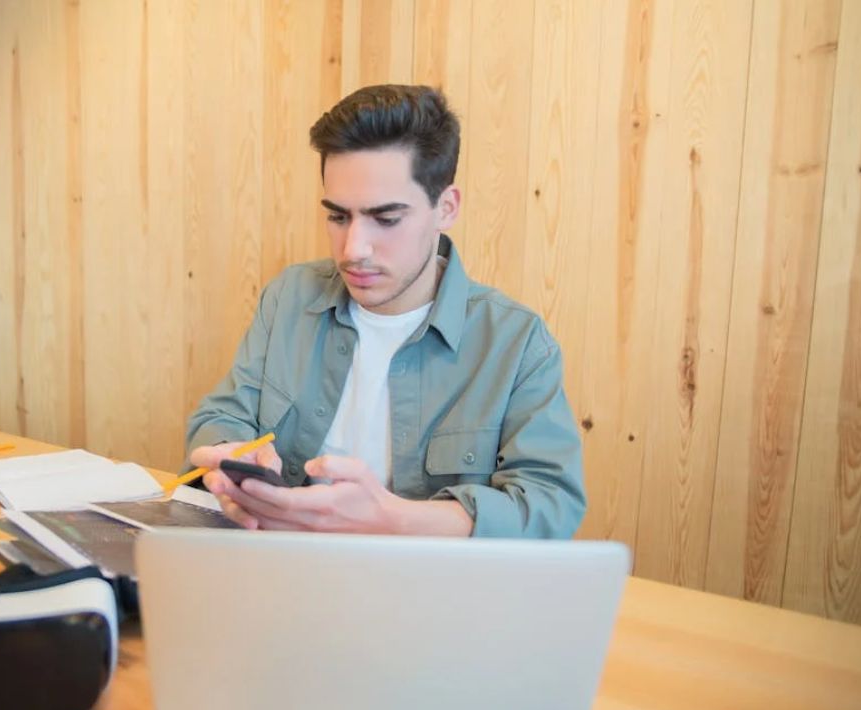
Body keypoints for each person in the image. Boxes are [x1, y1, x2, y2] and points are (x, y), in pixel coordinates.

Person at [184, 84, 584, 538]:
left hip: (428, 593)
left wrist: (390, 517)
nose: (353, 250)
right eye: (338, 217)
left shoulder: (516, 342)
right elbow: (223, 414)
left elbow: (549, 504)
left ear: (446, 208)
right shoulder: (289, 297)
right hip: (281, 569)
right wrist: (231, 460)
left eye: (386, 219)